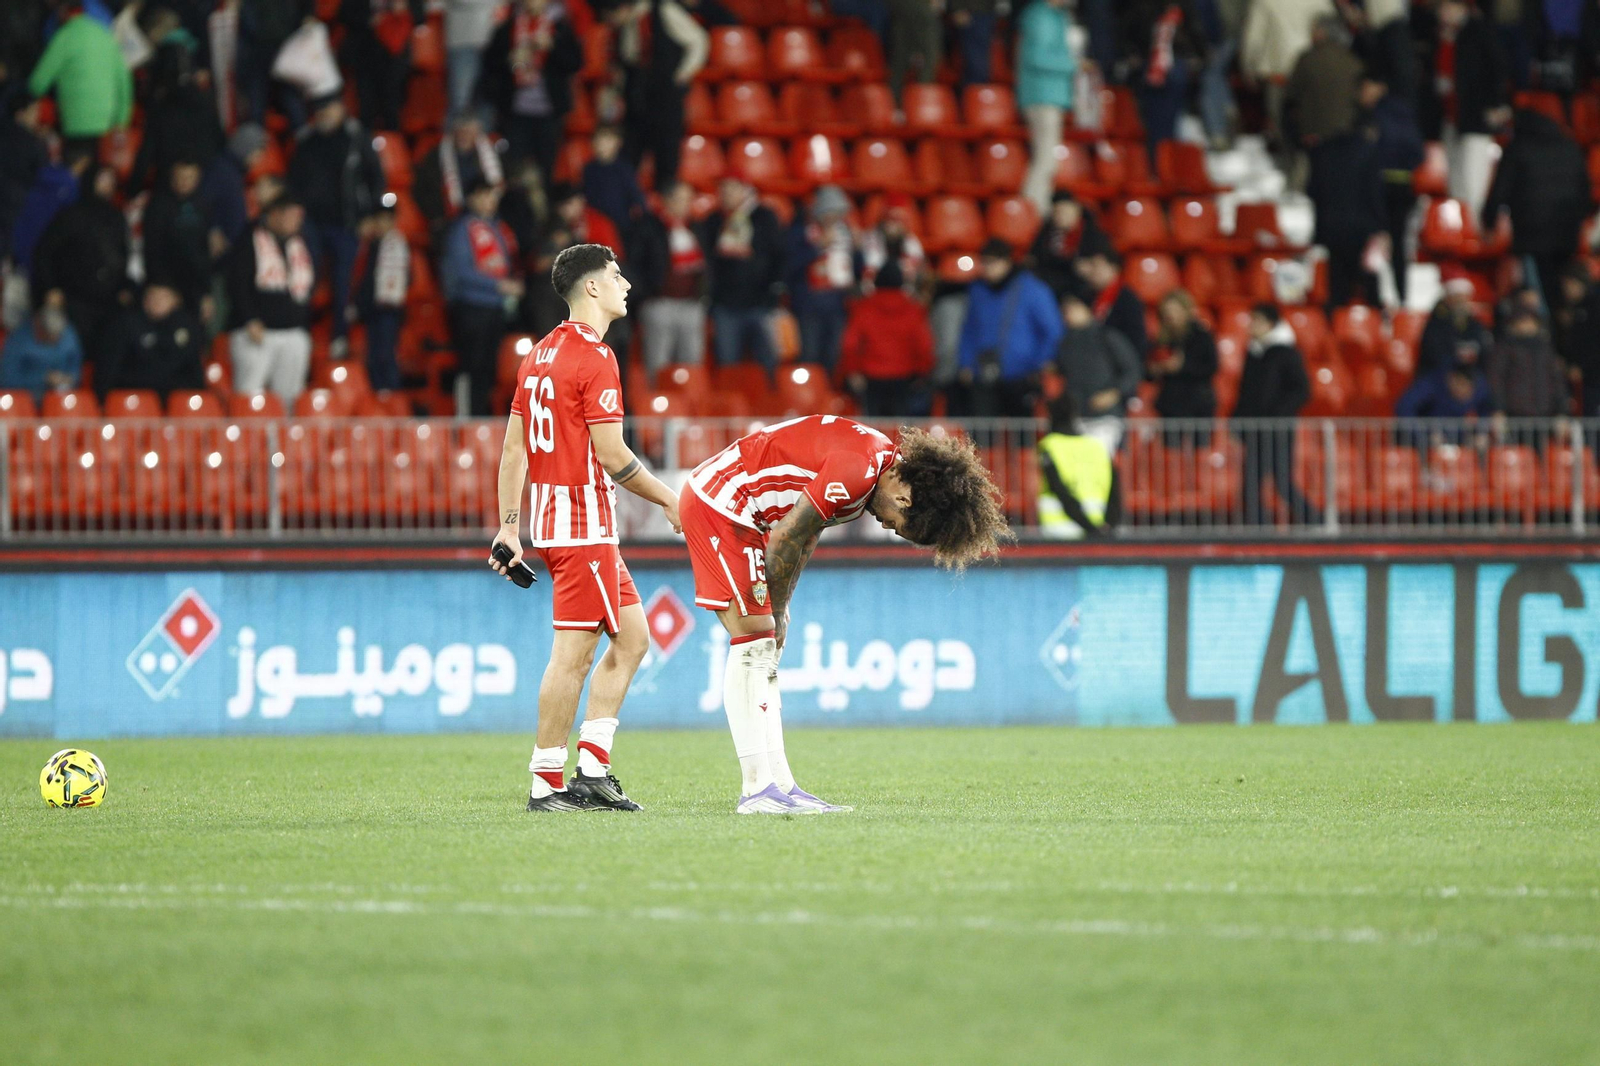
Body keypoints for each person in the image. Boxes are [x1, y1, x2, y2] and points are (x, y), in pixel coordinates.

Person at [677, 415, 1010, 813]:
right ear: (906, 499)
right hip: (722, 502)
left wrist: (783, 608)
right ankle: (756, 790)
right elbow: (786, 536)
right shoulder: (859, 469)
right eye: (898, 526)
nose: (887, 526)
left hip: (745, 513)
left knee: (764, 644)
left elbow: (807, 533)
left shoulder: (870, 476)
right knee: (754, 641)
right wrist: (778, 608)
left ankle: (781, 785)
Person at [489, 243, 683, 813]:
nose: (626, 283)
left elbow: (512, 450)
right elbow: (613, 455)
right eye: (617, 275)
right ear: (592, 288)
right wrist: (672, 500)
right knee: (573, 654)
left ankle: (593, 770)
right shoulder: (595, 357)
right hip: (581, 524)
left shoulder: (540, 354)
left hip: (559, 519)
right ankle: (546, 782)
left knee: (635, 638)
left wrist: (509, 527)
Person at [288, 95, 388, 353]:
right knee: (304, 276)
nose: (325, 114)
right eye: (320, 110)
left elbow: (376, 178)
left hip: (347, 224)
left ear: (341, 109)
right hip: (311, 223)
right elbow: (294, 180)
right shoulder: (307, 142)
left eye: (329, 108)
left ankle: (339, 335)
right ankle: (301, 328)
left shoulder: (356, 139)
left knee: (343, 281)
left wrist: (370, 215)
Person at [1481, 108, 1594, 314]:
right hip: (1567, 236)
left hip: (1530, 237)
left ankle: (1545, 337)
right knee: (1562, 293)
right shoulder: (1571, 147)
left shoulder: (1517, 148)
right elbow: (1585, 192)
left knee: (1539, 294)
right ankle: (1564, 335)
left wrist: (1488, 222)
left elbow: (1499, 191)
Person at [1417, 0, 1509, 221]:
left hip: (1475, 119)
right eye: (1441, 8)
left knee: (1473, 184)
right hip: (1450, 120)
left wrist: (1498, 104)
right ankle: (1458, 233)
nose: (1443, 13)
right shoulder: (1439, 36)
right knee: (1455, 184)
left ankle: (1475, 233)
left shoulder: (1479, 32)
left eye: (1447, 7)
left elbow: (1499, 70)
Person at [955, 237, 1063, 417]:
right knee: (983, 436)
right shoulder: (977, 290)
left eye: (992, 263)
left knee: (1021, 436)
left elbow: (1052, 331)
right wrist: (965, 362)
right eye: (984, 263)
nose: (987, 268)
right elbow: (969, 329)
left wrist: (1039, 363)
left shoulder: (1032, 289)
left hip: (1023, 376)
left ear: (1007, 262)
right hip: (983, 373)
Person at [477, 0, 582, 181]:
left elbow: (575, 63)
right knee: (514, 171)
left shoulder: (559, 27)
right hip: (516, 112)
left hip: (549, 112)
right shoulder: (509, 27)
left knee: (547, 171)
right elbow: (490, 64)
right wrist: (510, 60)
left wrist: (553, 48)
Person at [1234, 303, 1320, 525]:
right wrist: (1238, 419)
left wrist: (1277, 413)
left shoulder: (1286, 353)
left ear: (1270, 324)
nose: (1251, 325)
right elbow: (1245, 392)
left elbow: (1302, 390)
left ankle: (1315, 519)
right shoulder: (1254, 353)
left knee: (1281, 481)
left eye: (1256, 320)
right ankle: (1257, 529)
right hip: (1256, 429)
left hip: (1278, 429)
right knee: (1251, 482)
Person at [30, 161, 129, 352]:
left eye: (111, 180)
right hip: (73, 298)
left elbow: (123, 255)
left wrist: (123, 286)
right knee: (74, 348)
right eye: (102, 179)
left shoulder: (117, 217)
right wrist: (50, 287)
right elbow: (44, 252)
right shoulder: (71, 215)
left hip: (107, 298)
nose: (107, 185)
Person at [443, 179, 523, 416]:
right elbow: (462, 273)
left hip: (494, 308)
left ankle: (481, 419)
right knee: (471, 366)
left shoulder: (498, 228)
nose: (489, 201)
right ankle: (467, 419)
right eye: (483, 196)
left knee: (488, 368)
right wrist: (499, 286)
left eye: (491, 196)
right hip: (471, 307)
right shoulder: (461, 229)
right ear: (471, 199)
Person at [614, 0, 712, 192]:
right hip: (638, 98)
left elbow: (698, 40)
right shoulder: (631, 17)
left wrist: (683, 73)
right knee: (628, 159)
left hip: (665, 97)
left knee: (666, 161)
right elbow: (629, 55)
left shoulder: (664, 9)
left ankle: (665, 214)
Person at [225, 194, 314, 404]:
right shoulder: (249, 240)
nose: (297, 221)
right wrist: (249, 319)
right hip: (257, 332)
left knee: (290, 397)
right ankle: (247, 437)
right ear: (275, 214)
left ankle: (282, 438)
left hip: (292, 331)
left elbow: (308, 283)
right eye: (292, 215)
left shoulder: (300, 244)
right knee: (249, 394)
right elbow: (236, 284)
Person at [27, 1, 133, 157]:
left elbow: (38, 83)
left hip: (74, 123)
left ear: (63, 13)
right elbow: (124, 82)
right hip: (107, 124)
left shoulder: (64, 36)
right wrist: (121, 120)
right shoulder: (105, 36)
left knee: (74, 173)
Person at [702, 177, 785, 371]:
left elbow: (778, 255)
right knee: (728, 364)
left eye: (731, 189)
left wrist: (773, 291)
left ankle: (768, 400)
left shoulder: (764, 217)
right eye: (723, 191)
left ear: (744, 189)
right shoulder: (714, 221)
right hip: (726, 305)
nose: (726, 195)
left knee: (767, 362)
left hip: (760, 303)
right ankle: (731, 401)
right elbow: (708, 261)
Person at [630, 180, 708, 379]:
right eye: (681, 199)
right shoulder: (648, 227)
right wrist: (647, 295)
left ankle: (691, 406)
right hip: (659, 304)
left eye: (688, 199)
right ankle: (657, 406)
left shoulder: (696, 228)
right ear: (667, 200)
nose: (686, 204)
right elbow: (636, 264)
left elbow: (707, 266)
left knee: (692, 365)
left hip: (691, 305)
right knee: (658, 364)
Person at [837, 261, 934, 416]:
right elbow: (924, 345)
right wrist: (922, 371)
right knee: (900, 429)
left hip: (871, 377)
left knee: (875, 428)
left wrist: (853, 370)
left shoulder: (863, 308)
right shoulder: (913, 309)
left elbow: (850, 344)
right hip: (904, 376)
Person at [1305, 124, 1384, 307]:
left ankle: (1336, 327)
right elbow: (1374, 193)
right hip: (1362, 230)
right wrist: (1380, 226)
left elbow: (1312, 191)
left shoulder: (1322, 151)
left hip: (1331, 229)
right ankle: (1373, 325)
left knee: (1337, 287)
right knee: (1369, 286)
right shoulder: (1368, 151)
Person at [1361, 75, 1424, 305]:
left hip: (1378, 187)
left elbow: (1367, 152)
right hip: (1404, 186)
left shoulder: (1374, 117)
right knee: (1397, 245)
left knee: (1373, 242)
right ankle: (1402, 295)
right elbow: (1419, 153)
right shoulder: (1406, 115)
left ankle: (1374, 300)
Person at [1118, 0, 1207, 159]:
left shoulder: (1182, 7)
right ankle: (1158, 165)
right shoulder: (1143, 7)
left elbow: (1196, 33)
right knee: (1153, 122)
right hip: (1151, 68)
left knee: (1169, 123)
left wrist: (1197, 56)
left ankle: (1166, 165)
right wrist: (1133, 54)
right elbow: (1129, 31)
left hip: (1173, 68)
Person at [1054, 294, 1142, 453]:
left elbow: (1132, 369)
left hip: (1105, 418)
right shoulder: (1065, 342)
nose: (1068, 315)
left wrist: (1114, 392)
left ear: (1087, 309)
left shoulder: (1107, 336)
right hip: (1075, 417)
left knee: (1099, 462)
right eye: (1065, 311)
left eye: (1073, 309)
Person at [786, 184, 860, 372]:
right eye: (831, 212)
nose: (835, 218)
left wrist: (858, 250)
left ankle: (827, 395)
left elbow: (856, 270)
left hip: (836, 306)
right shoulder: (801, 233)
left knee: (833, 355)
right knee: (809, 356)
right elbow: (789, 266)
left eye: (839, 213)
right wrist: (816, 248)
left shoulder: (845, 234)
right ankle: (808, 396)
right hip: (809, 306)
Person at [96, 280, 205, 402]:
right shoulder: (126, 326)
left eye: (163, 297)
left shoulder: (188, 328)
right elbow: (109, 371)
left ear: (176, 301)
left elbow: (195, 375)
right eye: (152, 296)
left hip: (175, 401)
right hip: (133, 399)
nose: (157, 301)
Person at [1017, 0, 1076, 214]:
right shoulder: (1039, 16)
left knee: (1048, 158)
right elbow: (1037, 57)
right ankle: (1032, 208)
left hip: (1052, 95)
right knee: (1046, 158)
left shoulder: (1058, 16)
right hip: (1041, 95)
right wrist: (1073, 65)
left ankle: (1035, 206)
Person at [1037, 391, 1121, 538]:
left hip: (1059, 532)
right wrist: (1107, 528)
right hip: (1098, 532)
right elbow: (1115, 492)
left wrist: (1089, 527)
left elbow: (1060, 490)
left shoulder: (1050, 446)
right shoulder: (1098, 446)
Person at [141, 157, 216, 318]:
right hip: (165, 288)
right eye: (180, 177)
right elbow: (152, 249)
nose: (184, 182)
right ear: (172, 177)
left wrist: (206, 292)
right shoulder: (158, 206)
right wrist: (162, 286)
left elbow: (204, 251)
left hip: (195, 288)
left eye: (190, 177)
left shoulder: (202, 204)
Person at [414, 112, 505, 244]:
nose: (465, 136)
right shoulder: (436, 157)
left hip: (488, 214)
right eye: (461, 131)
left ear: (477, 133)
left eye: (469, 132)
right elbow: (422, 189)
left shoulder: (491, 156)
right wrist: (438, 215)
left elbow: (498, 183)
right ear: (454, 132)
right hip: (450, 218)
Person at [354, 196, 410, 393]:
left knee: (386, 355)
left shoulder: (399, 244)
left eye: (388, 219)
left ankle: (391, 397)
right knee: (374, 356)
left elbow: (407, 277)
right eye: (380, 219)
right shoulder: (369, 246)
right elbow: (364, 277)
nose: (383, 223)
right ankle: (380, 397)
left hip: (390, 310)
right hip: (373, 309)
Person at [340, 0, 422, 133]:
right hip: (364, 55)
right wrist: (369, 20)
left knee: (392, 108)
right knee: (366, 108)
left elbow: (420, 16)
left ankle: (393, 149)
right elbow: (344, 14)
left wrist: (403, 9)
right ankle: (365, 149)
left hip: (395, 61)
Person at [1487, 306, 1569, 423]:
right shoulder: (1504, 348)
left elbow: (1557, 380)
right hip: (1514, 414)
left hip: (1545, 413)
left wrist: (1562, 410)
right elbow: (1496, 379)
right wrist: (1499, 408)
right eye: (1522, 321)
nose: (1526, 325)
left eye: (1530, 321)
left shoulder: (1545, 348)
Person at [1150, 289, 1219, 427]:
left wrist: (1183, 366)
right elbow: (1148, 370)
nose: (1171, 315)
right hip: (1170, 405)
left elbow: (1212, 366)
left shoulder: (1202, 336)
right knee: (1169, 448)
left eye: (1175, 310)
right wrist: (1156, 369)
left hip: (1198, 405)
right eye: (1167, 311)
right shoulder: (1161, 339)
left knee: (1199, 448)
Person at [1029, 191, 1108, 300]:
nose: (1060, 216)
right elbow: (1035, 256)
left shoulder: (1093, 236)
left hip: (1077, 288)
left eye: (1064, 212)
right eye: (1057, 212)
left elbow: (1096, 265)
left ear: (1077, 211)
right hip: (1047, 282)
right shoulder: (1046, 232)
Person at [0, 299, 82, 403]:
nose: (54, 342)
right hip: (26, 401)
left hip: (61, 398)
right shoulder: (17, 341)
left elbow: (76, 370)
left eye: (58, 337)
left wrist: (68, 379)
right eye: (48, 337)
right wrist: (43, 378)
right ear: (38, 326)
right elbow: (8, 380)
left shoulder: (69, 335)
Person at [1417, 265, 1493, 375]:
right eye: (1457, 297)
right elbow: (1433, 354)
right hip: (1440, 377)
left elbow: (1483, 353)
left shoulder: (1475, 324)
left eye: (1464, 297)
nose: (1461, 302)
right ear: (1448, 298)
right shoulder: (1436, 323)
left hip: (1470, 379)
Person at [1076, 247, 1148, 358]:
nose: (1092, 272)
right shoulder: (1086, 297)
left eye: (1097, 266)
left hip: (1120, 360)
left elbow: (1136, 339)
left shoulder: (1128, 300)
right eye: (1091, 266)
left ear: (1114, 268)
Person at [581, 124, 646, 233]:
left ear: (618, 142)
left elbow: (635, 196)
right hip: (597, 225)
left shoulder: (625, 169)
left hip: (621, 226)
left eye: (607, 139)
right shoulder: (589, 170)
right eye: (598, 139)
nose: (601, 144)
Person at [445, 0, 502, 119]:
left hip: (493, 42)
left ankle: (485, 136)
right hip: (463, 43)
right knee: (460, 101)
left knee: (488, 98)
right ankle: (453, 137)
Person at [858, 193, 926, 290]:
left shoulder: (911, 241)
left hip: (904, 291)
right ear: (884, 218)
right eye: (891, 218)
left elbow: (915, 268)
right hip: (875, 289)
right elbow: (870, 267)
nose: (894, 224)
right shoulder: (870, 237)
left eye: (898, 220)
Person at [887, 0, 942, 109]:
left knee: (901, 55)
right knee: (929, 56)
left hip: (900, 7)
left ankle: (893, 106)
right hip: (920, 6)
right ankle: (920, 105)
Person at [949, 0, 999, 89]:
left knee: (979, 68)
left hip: (985, 13)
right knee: (976, 68)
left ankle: (973, 97)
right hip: (971, 13)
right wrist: (957, 8)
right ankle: (972, 99)